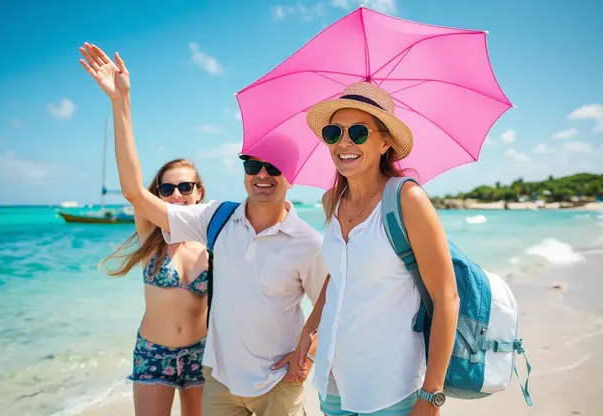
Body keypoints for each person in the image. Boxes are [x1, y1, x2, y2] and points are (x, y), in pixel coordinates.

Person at [78, 42, 328, 416]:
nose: (262, 174)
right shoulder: (211, 223)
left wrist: (306, 352)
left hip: (248, 372)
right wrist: (120, 103)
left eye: (273, 167)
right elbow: (133, 191)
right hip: (190, 368)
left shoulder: (303, 242)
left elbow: (329, 302)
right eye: (252, 165)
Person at [294, 82, 460, 416]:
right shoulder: (332, 200)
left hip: (391, 386)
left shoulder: (407, 199)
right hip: (334, 377)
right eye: (333, 132)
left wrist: (432, 394)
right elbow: (339, 276)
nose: (344, 142)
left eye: (358, 132)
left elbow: (446, 298)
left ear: (385, 142)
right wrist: (308, 332)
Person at [81, 45, 209, 416]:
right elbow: (131, 187)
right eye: (167, 188)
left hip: (203, 356)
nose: (176, 195)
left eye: (185, 187)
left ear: (199, 191)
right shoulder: (153, 234)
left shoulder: (213, 236)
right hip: (154, 354)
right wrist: (121, 102)